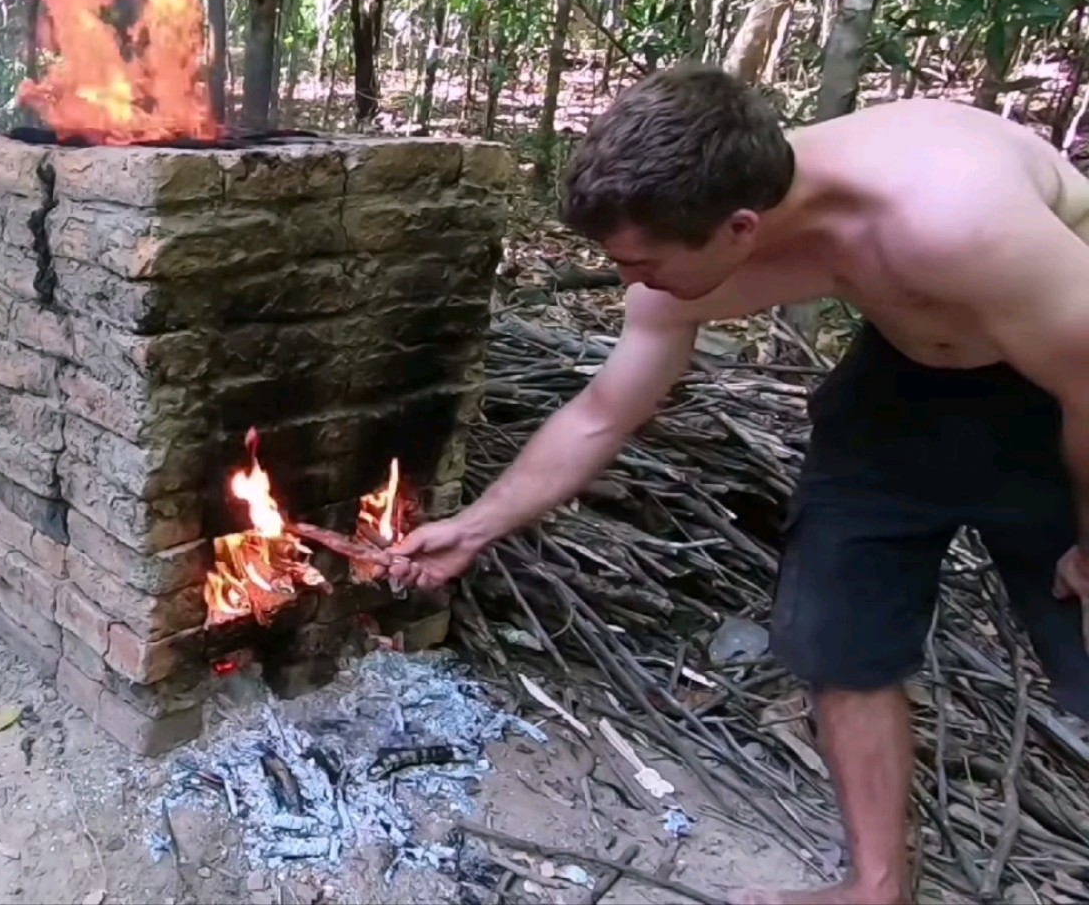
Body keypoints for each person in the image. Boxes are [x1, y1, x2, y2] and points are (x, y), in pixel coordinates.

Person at [387, 63, 1089, 905]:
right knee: (840, 629)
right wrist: (472, 528)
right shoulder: (692, 253)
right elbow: (602, 414)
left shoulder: (953, 219)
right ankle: (876, 889)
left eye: (641, 264)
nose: (628, 282)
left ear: (740, 227)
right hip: (905, 373)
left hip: (1060, 388)